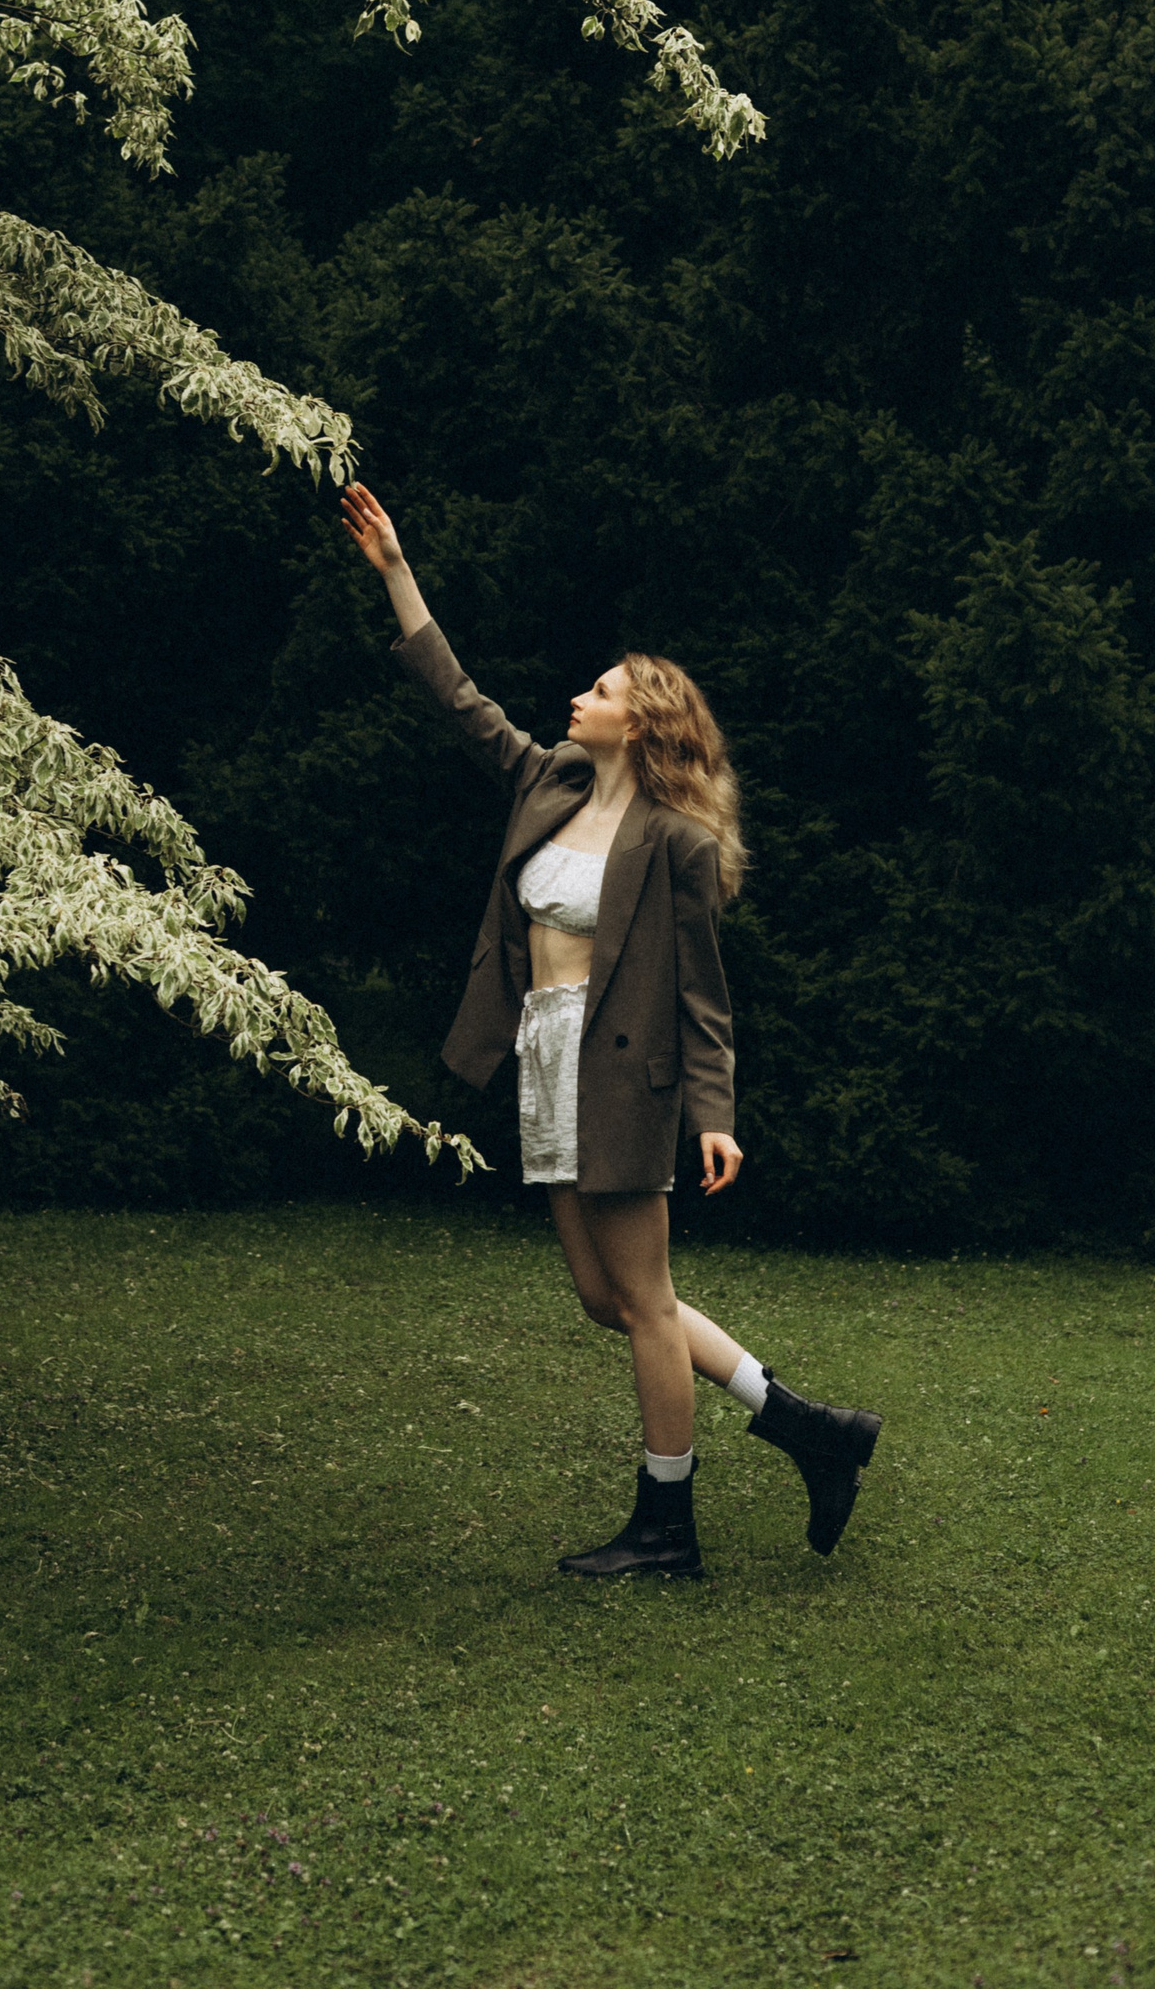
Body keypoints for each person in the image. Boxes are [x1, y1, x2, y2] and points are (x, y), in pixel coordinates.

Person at [341, 482, 881, 1579]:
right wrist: (397, 572)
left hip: (623, 1079)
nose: (576, 698)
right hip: (544, 1060)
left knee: (644, 1303)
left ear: (639, 723)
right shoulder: (549, 782)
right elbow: (460, 701)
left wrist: (715, 1115)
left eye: (598, 690)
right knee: (610, 1300)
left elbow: (704, 996)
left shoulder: (675, 842)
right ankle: (806, 1426)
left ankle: (667, 1526)